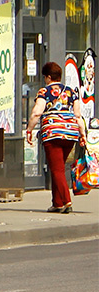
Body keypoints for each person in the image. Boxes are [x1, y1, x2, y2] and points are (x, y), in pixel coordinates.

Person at [25, 61, 87, 213]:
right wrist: (82, 134)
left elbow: (37, 112)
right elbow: (78, 115)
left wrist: (29, 129)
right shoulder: (72, 92)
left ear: (47, 77)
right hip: (71, 134)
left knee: (57, 169)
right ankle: (57, 203)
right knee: (57, 168)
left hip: (52, 133)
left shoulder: (44, 92)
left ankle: (67, 201)